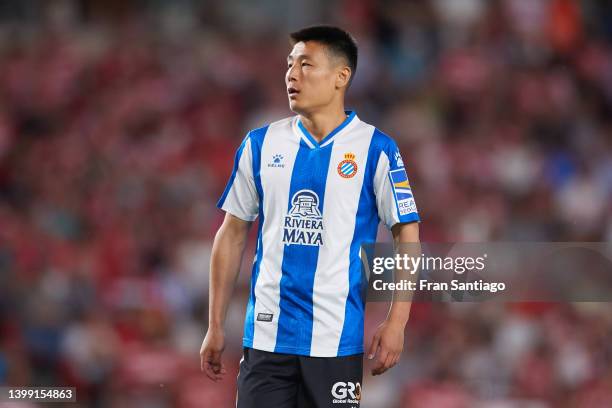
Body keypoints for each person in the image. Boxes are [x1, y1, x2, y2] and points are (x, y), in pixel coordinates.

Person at [200, 25, 420, 408]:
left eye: (305, 64)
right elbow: (232, 233)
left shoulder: (376, 149)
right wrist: (216, 324)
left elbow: (408, 235)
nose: (291, 74)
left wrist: (396, 322)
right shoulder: (260, 144)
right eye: (289, 65)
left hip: (336, 343)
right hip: (266, 341)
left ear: (341, 77)